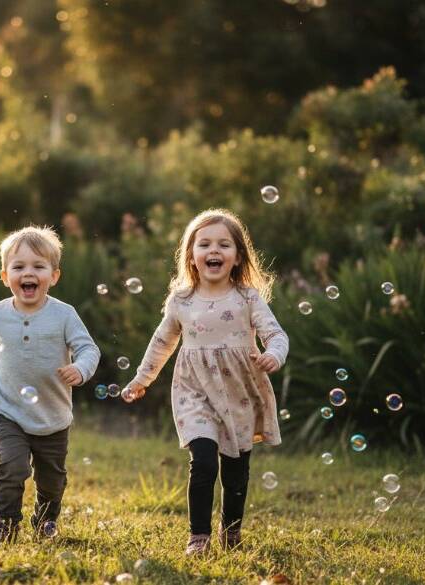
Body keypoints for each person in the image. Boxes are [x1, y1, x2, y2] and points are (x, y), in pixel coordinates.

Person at [125, 208, 289, 555]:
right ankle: (198, 536)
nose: (214, 250)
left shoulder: (247, 298)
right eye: (205, 244)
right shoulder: (181, 300)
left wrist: (274, 353)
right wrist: (143, 378)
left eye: (224, 244)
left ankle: (231, 531)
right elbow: (162, 343)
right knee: (202, 461)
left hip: (239, 392)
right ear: (192, 256)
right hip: (194, 391)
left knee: (236, 472)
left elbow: (275, 334)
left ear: (237, 256)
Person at [0, 225, 100, 546]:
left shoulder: (64, 315)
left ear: (53, 276)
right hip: (8, 410)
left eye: (38, 266)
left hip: (53, 416)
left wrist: (80, 368)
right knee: (11, 467)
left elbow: (89, 349)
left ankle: (45, 521)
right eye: (18, 267)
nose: (27, 273)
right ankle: (6, 525)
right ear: (5, 276)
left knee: (52, 479)